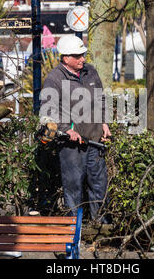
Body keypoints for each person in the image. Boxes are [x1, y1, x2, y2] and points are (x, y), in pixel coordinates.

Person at [39, 35, 112, 224]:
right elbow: (49, 110)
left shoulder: (91, 72)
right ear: (66, 58)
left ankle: (100, 228)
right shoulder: (54, 79)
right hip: (71, 146)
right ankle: (73, 229)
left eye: (83, 54)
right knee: (73, 188)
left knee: (99, 186)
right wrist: (66, 129)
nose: (82, 59)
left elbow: (101, 99)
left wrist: (104, 122)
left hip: (94, 141)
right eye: (78, 56)